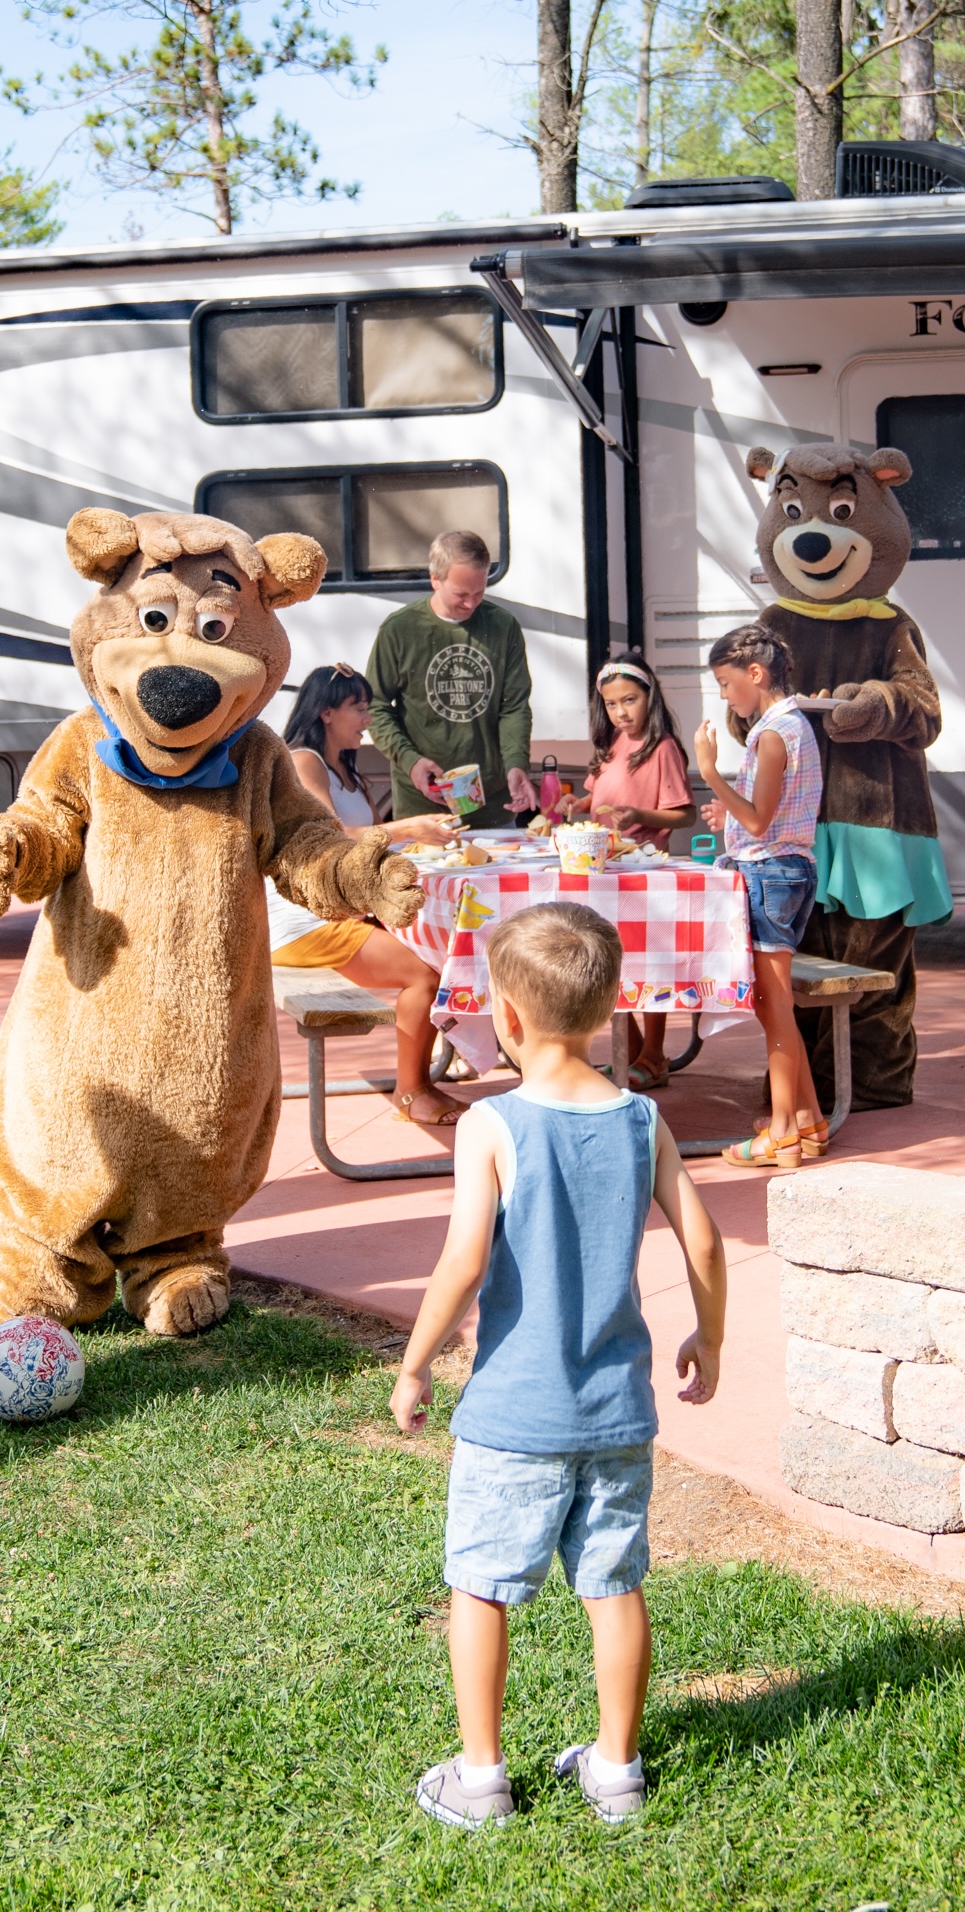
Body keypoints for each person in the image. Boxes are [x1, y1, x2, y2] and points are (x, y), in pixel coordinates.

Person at [388, 901, 726, 1830]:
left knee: (480, 1587)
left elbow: (463, 1261)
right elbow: (702, 1238)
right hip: (616, 1411)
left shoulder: (490, 1124)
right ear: (610, 1005)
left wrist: (414, 1364)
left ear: (504, 1014)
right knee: (613, 1586)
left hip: (513, 1414)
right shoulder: (642, 1118)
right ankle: (616, 1770)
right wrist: (709, 1335)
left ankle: (480, 1778)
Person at [266, 664, 467, 1127]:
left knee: (443, 947)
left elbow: (374, 843)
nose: (368, 719)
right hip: (302, 922)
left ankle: (427, 1078)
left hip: (341, 911)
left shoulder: (346, 769)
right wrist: (408, 827)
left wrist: (423, 831)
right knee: (423, 975)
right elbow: (333, 837)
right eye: (359, 708)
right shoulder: (303, 761)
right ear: (326, 712)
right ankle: (411, 1092)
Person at [692, 623, 826, 1168]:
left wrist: (709, 771)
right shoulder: (789, 726)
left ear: (756, 673)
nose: (725, 696)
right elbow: (764, 813)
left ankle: (784, 1133)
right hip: (786, 871)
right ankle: (808, 1120)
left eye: (726, 684)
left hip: (771, 875)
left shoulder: (773, 734)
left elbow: (758, 819)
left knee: (774, 1008)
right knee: (778, 1008)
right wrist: (730, 812)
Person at [578, 650, 695, 1090]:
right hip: (604, 873)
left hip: (645, 875)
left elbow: (684, 813)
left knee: (647, 964)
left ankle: (654, 1054)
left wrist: (639, 815)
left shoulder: (662, 749)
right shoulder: (612, 744)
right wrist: (577, 804)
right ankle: (632, 1050)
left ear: (650, 697)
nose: (621, 712)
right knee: (607, 961)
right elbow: (598, 798)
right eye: (611, 704)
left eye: (630, 700)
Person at [365, 531, 534, 830]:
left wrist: (516, 763)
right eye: (461, 595)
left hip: (492, 808)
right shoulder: (400, 629)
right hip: (423, 809)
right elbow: (374, 705)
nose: (471, 604)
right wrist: (411, 761)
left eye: (479, 592)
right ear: (435, 579)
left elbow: (514, 707)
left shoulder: (503, 626)